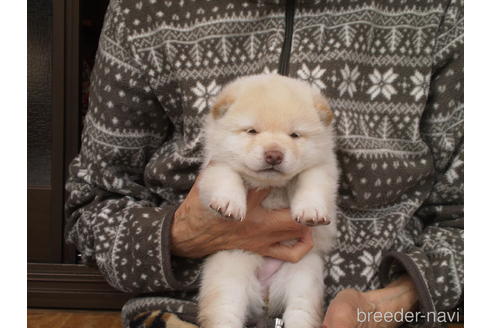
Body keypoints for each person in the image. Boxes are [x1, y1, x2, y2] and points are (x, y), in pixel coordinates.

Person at [65, 0, 463, 327]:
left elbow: (469, 215)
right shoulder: (143, 10)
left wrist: (393, 301)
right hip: (181, 310)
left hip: (384, 310)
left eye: (292, 136)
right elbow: (91, 204)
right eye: (254, 134)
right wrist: (181, 235)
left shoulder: (445, 11)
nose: (274, 151)